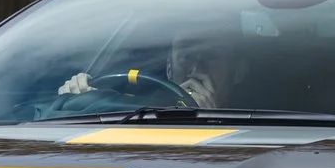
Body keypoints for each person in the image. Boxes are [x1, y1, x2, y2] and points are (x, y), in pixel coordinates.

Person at [58, 29, 246, 108]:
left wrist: (208, 120)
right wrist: (76, 100)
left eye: (210, 57)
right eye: (186, 57)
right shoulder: (134, 111)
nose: (195, 69)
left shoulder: (253, 128)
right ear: (169, 68)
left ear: (238, 71)